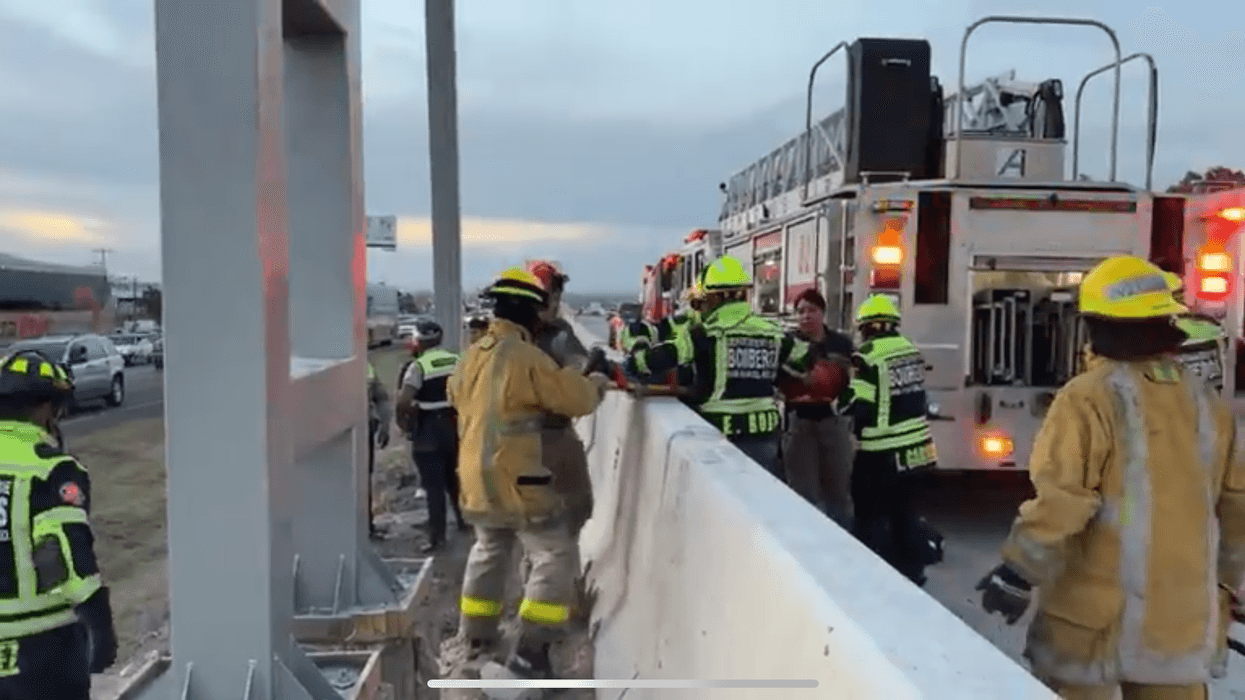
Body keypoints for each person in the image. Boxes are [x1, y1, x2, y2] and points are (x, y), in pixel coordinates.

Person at [976, 255, 1245, 700]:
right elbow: (1237, 505)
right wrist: (1224, 584)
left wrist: (1018, 572)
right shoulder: (1207, 404)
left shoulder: (1088, 399)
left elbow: (1062, 501)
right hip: (1178, 631)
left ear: (1098, 325)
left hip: (1091, 629)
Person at [449, 267, 610, 680]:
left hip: (473, 479)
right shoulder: (526, 357)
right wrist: (593, 381)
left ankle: (475, 637)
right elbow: (574, 399)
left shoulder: (472, 354)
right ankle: (531, 651)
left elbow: (456, 395)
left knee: (489, 549)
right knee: (552, 553)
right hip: (520, 478)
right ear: (529, 313)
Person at [622, 255, 811, 479]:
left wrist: (634, 359)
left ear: (716, 297)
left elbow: (656, 360)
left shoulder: (703, 333)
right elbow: (806, 360)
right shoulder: (773, 331)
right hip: (765, 438)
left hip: (719, 436)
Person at [0, 351, 118, 699]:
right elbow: (66, 555)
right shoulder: (51, 469)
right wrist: (101, 629)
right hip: (42, 652)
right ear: (45, 409)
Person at [837, 294, 937, 586]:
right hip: (919, 450)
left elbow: (856, 404)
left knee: (871, 515)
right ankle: (913, 573)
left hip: (882, 452)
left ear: (865, 327)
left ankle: (873, 576)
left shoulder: (867, 356)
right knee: (906, 512)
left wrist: (838, 399)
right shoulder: (910, 350)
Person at [780, 288, 856, 527]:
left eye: (812, 310)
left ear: (822, 313)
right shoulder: (788, 344)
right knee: (803, 493)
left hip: (834, 424)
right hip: (799, 424)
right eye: (801, 311)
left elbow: (855, 382)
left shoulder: (841, 344)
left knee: (839, 491)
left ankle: (844, 544)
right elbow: (778, 380)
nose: (806, 316)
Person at [395, 319, 467, 553]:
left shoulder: (419, 366)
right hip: (455, 425)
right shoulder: (456, 359)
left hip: (428, 429)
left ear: (419, 341)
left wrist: (405, 423)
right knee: (455, 478)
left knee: (433, 486)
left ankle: (437, 538)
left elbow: (404, 400)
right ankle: (464, 521)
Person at [366, 360, 392, 540]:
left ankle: (367, 526)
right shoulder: (366, 366)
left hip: (363, 428)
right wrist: (384, 425)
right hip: (361, 427)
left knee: (363, 479)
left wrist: (384, 426)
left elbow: (381, 398)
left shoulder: (366, 366)